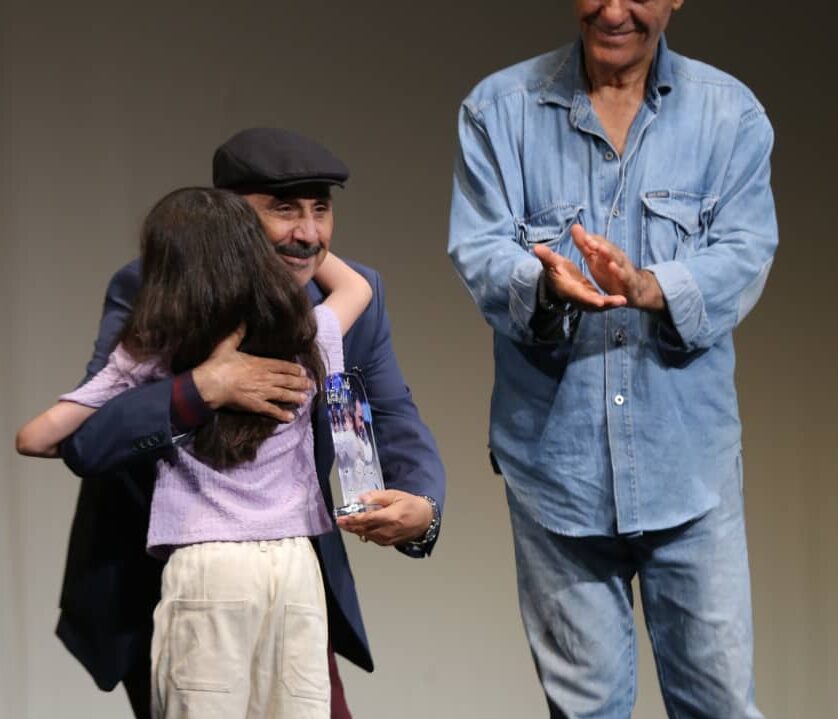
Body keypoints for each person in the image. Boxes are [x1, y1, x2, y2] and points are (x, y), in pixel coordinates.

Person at [448, 1, 776, 716]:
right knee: (585, 711)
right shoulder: (498, 111)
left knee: (720, 705)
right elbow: (479, 250)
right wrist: (544, 284)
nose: (613, 9)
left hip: (689, 468)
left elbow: (747, 251)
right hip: (556, 471)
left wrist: (652, 287)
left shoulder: (730, 115)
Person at [55, 129, 445, 719]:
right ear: (231, 216)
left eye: (320, 210)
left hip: (287, 570)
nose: (307, 233)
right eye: (283, 209)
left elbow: (390, 412)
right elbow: (88, 438)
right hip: (172, 569)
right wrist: (201, 388)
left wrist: (423, 504)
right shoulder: (158, 283)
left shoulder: (347, 300)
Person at [17, 186, 373, 717]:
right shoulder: (309, 333)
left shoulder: (157, 352)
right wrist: (309, 240)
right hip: (296, 563)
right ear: (254, 251)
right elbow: (355, 287)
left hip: (209, 561)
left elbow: (36, 439)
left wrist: (174, 395)